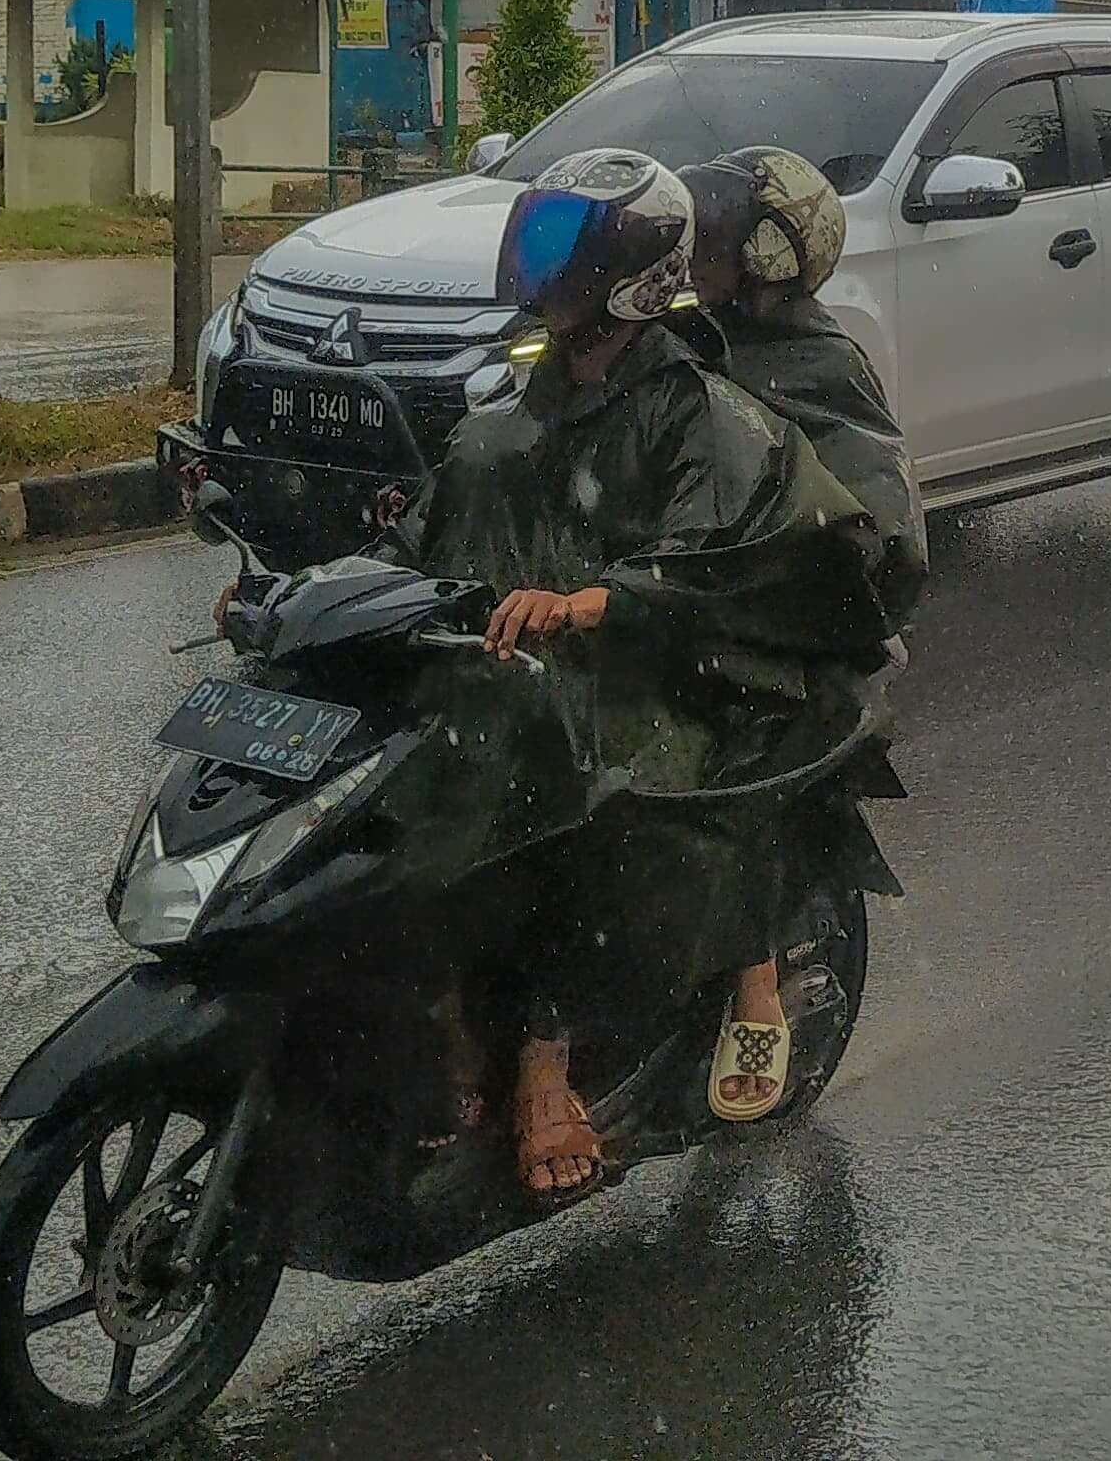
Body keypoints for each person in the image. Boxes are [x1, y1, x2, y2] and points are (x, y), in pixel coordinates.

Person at [386, 147, 890, 1201]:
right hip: (528, 663)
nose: (541, 267)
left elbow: (726, 554)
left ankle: (554, 1051)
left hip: (678, 672)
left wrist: (597, 603)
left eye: (566, 248)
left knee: (586, 798)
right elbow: (445, 527)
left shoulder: (707, 406)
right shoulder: (519, 403)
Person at [675, 145, 926, 1122]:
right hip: (649, 590)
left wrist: (782, 577)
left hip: (764, 631)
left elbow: (878, 527)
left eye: (720, 241)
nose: (699, 253)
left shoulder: (821, 365)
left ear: (775, 257)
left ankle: (754, 987)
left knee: (704, 776)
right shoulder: (676, 335)